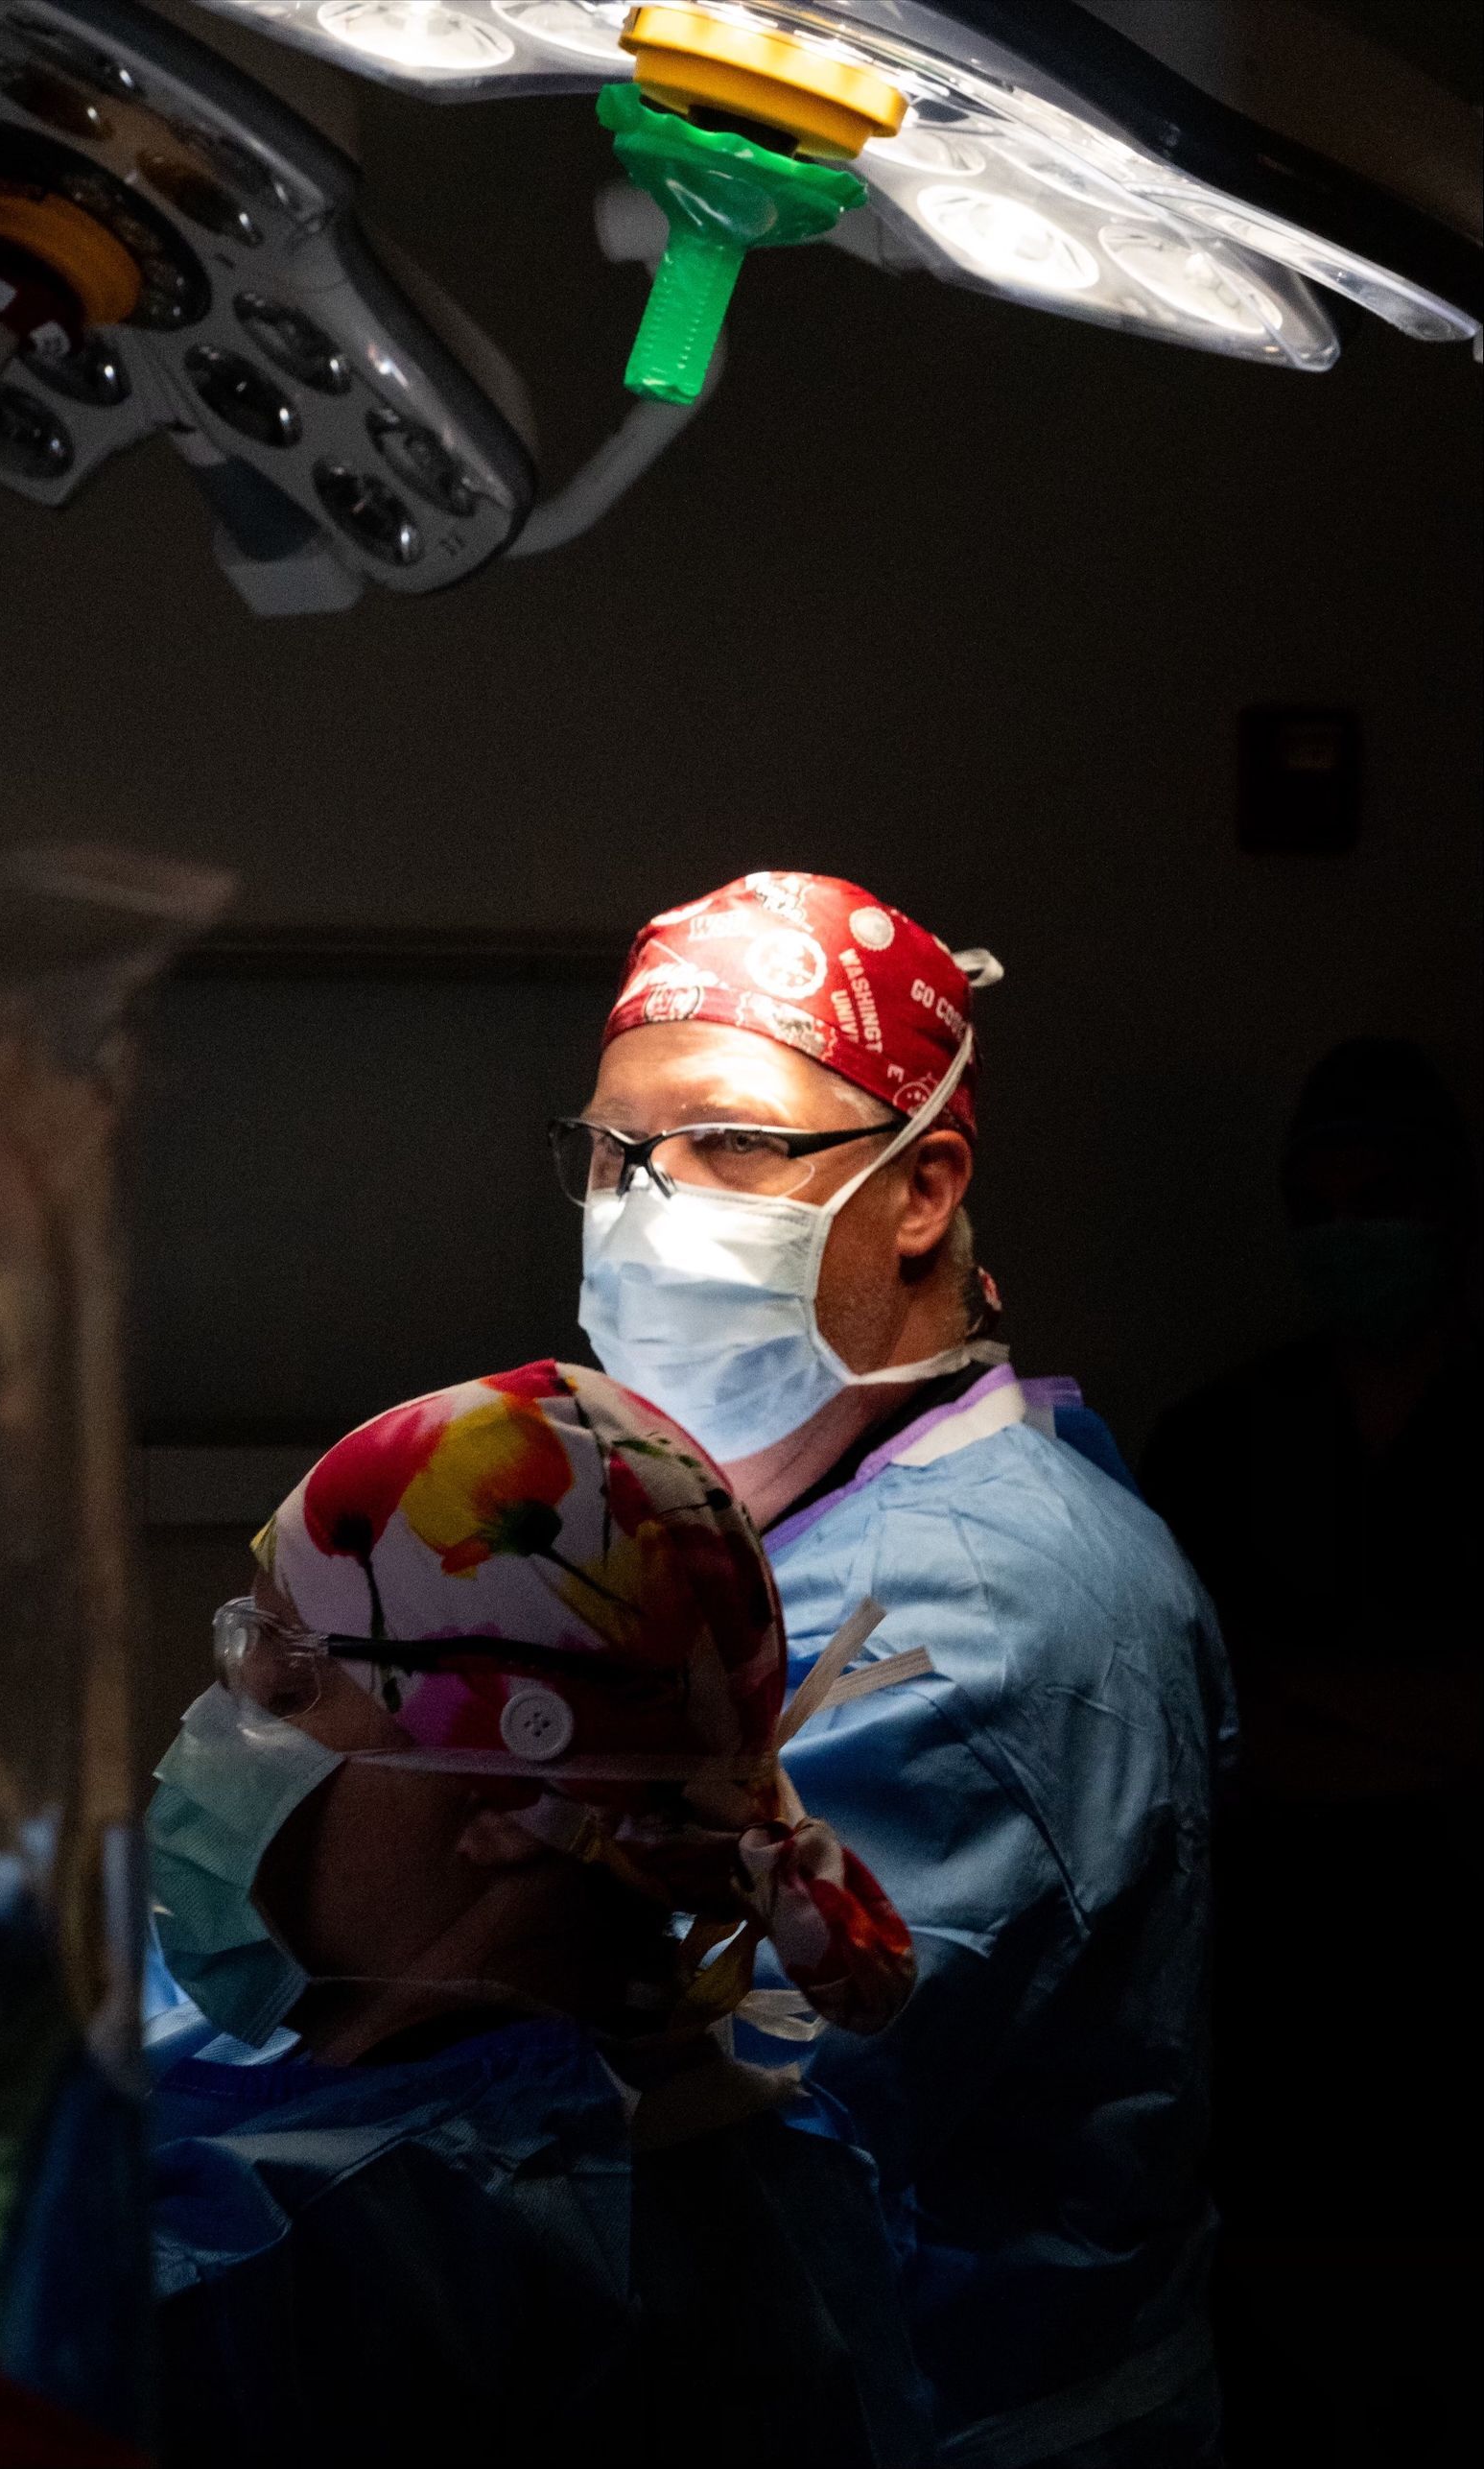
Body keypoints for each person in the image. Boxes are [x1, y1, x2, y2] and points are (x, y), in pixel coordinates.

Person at [553, 870, 1235, 2468]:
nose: (647, 1206)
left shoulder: (969, 1613)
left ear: (921, 1187)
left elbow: (641, 2131)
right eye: (611, 1152)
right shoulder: (811, 1515)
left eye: (729, 1142)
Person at [144, 1359, 924, 2469]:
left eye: (285, 1693)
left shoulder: (329, 2267)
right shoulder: (758, 2142)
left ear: (508, 1805)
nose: (213, 1738)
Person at [1142, 1039, 1480, 2466]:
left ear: (1445, 1206)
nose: (1349, 1237)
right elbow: (1200, 1726)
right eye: (1319, 1208)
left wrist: (1295, 1691)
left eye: (1378, 1201)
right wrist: (1408, 1726)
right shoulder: (1221, 1439)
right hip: (1275, 2023)